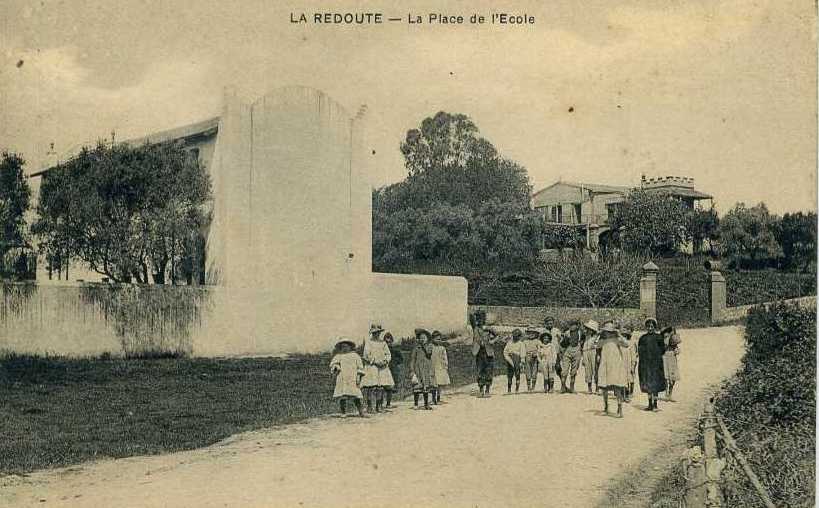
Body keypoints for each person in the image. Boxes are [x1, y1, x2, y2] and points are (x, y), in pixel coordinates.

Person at [596, 321, 631, 418]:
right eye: (606, 331)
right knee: (604, 386)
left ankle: (620, 408)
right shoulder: (602, 340)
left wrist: (619, 334)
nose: (608, 333)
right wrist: (597, 335)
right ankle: (606, 406)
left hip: (616, 365)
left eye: (609, 331)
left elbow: (627, 344)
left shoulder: (617, 339)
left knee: (617, 386)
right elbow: (595, 345)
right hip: (605, 364)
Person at [361, 324, 394, 413]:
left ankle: (379, 406)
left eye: (378, 332)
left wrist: (385, 361)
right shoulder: (369, 343)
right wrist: (375, 361)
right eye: (374, 333)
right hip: (372, 367)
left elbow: (388, 354)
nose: (376, 334)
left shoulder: (383, 343)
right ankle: (369, 406)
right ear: (372, 333)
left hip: (382, 367)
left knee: (381, 387)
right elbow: (366, 355)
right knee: (371, 387)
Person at [330, 338, 366, 418]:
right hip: (342, 378)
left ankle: (361, 411)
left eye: (346, 346)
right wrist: (336, 366)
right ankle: (343, 412)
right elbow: (333, 364)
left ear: (350, 347)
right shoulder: (339, 356)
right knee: (343, 396)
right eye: (342, 347)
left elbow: (360, 367)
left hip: (352, 378)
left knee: (356, 396)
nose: (345, 348)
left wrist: (358, 376)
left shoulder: (355, 356)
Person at [638, 317, 667, 411]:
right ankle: (649, 404)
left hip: (656, 365)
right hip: (646, 365)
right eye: (648, 326)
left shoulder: (659, 337)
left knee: (655, 384)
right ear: (646, 327)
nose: (650, 328)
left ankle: (655, 404)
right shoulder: (643, 338)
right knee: (648, 384)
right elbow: (640, 351)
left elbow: (663, 350)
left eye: (652, 326)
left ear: (655, 327)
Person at [471, 310, 502, 397]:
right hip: (479, 352)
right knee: (480, 370)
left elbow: (498, 335)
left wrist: (493, 341)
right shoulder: (475, 328)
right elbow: (471, 317)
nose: (480, 320)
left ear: (484, 319)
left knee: (489, 370)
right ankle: (481, 389)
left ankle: (487, 390)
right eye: (478, 318)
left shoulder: (489, 328)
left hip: (488, 353)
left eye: (481, 318)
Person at [409, 328, 436, 410]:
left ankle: (426, 404)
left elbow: (428, 353)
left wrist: (424, 346)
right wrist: (412, 370)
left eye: (424, 337)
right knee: (417, 388)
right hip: (418, 370)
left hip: (426, 370)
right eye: (421, 337)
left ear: (427, 338)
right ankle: (416, 404)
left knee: (426, 387)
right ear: (418, 339)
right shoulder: (416, 348)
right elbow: (413, 359)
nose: (422, 339)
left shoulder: (429, 346)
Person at [559, 320, 584, 393]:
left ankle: (572, 387)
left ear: (577, 326)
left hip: (577, 352)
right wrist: (566, 338)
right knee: (564, 371)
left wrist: (581, 348)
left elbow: (584, 340)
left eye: (573, 325)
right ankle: (563, 387)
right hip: (568, 351)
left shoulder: (581, 333)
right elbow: (563, 344)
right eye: (570, 325)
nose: (572, 327)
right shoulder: (567, 333)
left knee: (574, 371)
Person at [661, 326, 682, 401]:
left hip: (672, 357)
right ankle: (667, 393)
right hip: (665, 357)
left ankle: (670, 393)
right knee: (666, 377)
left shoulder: (673, 339)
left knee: (673, 378)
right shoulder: (662, 339)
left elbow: (677, 349)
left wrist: (676, 350)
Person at [383, 332, 403, 409]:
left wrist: (395, 362)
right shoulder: (382, 350)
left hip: (393, 369)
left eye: (389, 341)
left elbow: (401, 359)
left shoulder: (395, 350)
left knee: (390, 387)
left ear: (392, 341)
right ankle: (380, 403)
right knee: (382, 386)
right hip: (384, 368)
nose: (388, 343)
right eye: (386, 342)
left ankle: (388, 403)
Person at [430, 331, 451, 404]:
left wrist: (446, 365)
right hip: (433, 367)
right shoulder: (431, 347)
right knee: (433, 384)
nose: (438, 341)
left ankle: (438, 398)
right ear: (432, 339)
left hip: (440, 367)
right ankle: (433, 399)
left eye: (439, 339)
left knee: (439, 384)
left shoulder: (442, 348)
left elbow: (445, 357)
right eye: (436, 339)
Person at [503, 329, 526, 393]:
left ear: (519, 336)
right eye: (514, 336)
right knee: (510, 374)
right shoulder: (509, 343)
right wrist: (507, 358)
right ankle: (509, 389)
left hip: (517, 359)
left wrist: (522, 361)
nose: (515, 337)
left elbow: (522, 353)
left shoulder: (521, 344)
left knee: (517, 373)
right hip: (510, 359)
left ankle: (517, 388)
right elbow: (505, 351)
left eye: (517, 336)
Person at [581, 320, 600, 394]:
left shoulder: (597, 337)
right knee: (588, 370)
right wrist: (583, 357)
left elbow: (598, 346)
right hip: (586, 352)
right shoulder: (586, 336)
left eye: (590, 329)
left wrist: (598, 355)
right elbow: (583, 347)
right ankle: (589, 387)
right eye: (588, 329)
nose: (588, 330)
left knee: (595, 370)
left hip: (593, 352)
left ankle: (597, 388)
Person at [620, 324, 637, 402]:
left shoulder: (630, 344)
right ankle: (622, 395)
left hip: (628, 365)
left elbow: (633, 356)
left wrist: (633, 366)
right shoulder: (619, 345)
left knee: (628, 379)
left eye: (625, 335)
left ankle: (627, 395)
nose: (623, 337)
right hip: (621, 364)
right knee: (621, 379)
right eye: (622, 335)